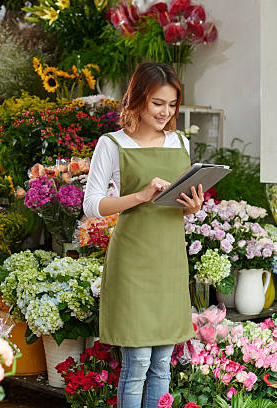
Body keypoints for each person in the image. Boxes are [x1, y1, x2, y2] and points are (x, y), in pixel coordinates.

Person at [83, 62, 204, 408]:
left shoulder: (179, 141)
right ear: (138, 99)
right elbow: (91, 204)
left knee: (163, 363)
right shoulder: (112, 144)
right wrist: (139, 196)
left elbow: (181, 201)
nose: (166, 112)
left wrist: (193, 208)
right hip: (133, 263)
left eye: (172, 105)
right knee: (136, 364)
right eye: (157, 103)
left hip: (170, 263)